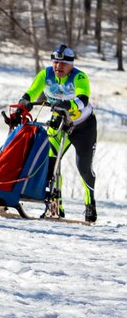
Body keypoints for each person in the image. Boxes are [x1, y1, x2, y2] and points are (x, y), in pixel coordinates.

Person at [12, 44, 97, 222]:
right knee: (51, 164)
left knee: (84, 168)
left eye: (63, 64)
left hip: (82, 126)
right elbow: (32, 92)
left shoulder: (79, 77)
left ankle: (90, 204)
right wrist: (23, 103)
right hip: (59, 123)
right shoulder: (46, 74)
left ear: (71, 65)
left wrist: (68, 104)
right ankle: (55, 205)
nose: (58, 66)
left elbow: (83, 98)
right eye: (55, 62)